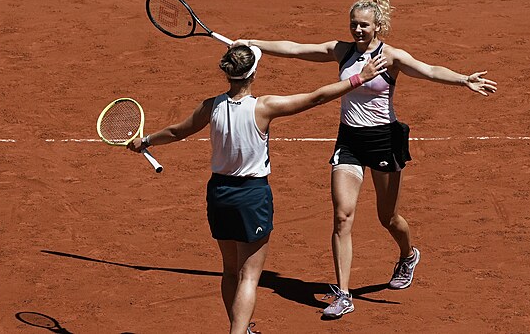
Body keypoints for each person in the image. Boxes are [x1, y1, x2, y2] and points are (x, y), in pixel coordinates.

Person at [233, 0, 497, 318]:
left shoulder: (391, 58)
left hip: (384, 141)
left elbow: (428, 70)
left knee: (388, 218)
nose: (357, 30)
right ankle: (343, 294)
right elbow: (296, 48)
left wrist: (463, 79)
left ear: (377, 26)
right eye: (354, 24)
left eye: (364, 25)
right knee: (343, 216)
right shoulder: (341, 51)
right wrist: (251, 43)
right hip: (350, 142)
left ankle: (408, 254)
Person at [127, 45, 387, 333]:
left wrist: (146, 141)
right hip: (252, 197)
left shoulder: (210, 106)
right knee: (249, 276)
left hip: (219, 195)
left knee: (229, 271)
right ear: (253, 74)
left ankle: (240, 329)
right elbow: (317, 97)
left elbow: (176, 131)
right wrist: (358, 79)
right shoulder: (264, 107)